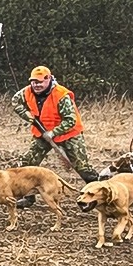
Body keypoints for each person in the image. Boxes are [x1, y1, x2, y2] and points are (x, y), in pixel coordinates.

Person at [12, 66, 99, 207]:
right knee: (27, 164)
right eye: (33, 81)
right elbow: (15, 101)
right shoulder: (26, 92)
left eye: (40, 82)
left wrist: (53, 133)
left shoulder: (61, 95)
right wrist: (25, 115)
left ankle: (99, 195)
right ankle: (28, 197)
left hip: (69, 134)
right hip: (42, 133)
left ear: (48, 79)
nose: (36, 85)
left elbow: (70, 120)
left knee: (83, 168)